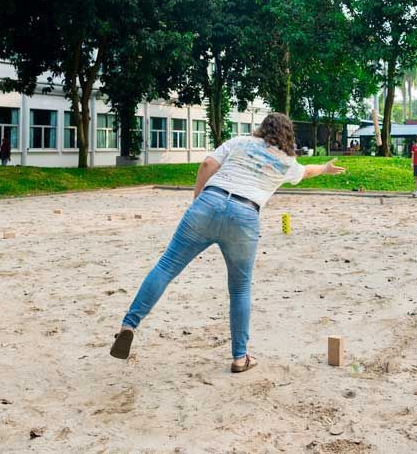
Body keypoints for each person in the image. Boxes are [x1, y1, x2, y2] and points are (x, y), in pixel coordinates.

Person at [111, 112, 345, 372]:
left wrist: (198, 200)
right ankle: (239, 357)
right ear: (288, 134)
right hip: (245, 216)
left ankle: (129, 325)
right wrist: (325, 168)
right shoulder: (287, 161)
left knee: (166, 267)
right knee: (240, 289)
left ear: (262, 128)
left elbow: (208, 165)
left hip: (209, 202)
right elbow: (307, 171)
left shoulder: (241, 142)